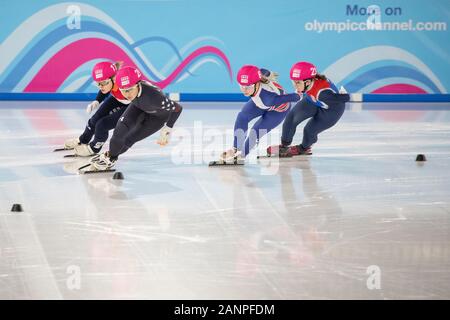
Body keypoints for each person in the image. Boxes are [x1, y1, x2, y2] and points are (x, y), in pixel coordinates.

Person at [90, 66, 183, 170]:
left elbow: (178, 108)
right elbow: (106, 85)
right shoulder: (127, 88)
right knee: (120, 130)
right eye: (123, 90)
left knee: (130, 138)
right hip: (138, 106)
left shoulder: (155, 97)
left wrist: (168, 127)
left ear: (138, 84)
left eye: (129, 90)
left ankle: (111, 157)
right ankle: (111, 157)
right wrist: (97, 100)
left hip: (157, 118)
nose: (127, 94)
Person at [219, 65, 301, 163]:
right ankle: (236, 149)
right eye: (242, 86)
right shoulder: (258, 75)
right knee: (242, 117)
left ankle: (242, 155)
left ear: (257, 83)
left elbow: (291, 98)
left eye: (248, 86)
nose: (244, 90)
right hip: (259, 101)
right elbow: (262, 71)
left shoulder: (267, 99)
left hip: (278, 111)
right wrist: (270, 73)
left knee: (255, 131)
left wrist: (299, 94)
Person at [267, 61, 350, 157]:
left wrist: (345, 96)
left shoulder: (323, 93)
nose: (294, 85)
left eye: (297, 82)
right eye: (293, 81)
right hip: (313, 100)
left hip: (331, 111)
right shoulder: (309, 83)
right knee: (292, 117)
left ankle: (303, 148)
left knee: (309, 130)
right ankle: (284, 145)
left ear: (308, 82)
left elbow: (344, 98)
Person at [63, 61, 131, 156]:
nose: (101, 86)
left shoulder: (124, 84)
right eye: (98, 83)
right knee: (94, 119)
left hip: (132, 106)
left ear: (114, 79)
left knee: (102, 125)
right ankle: (82, 140)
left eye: (103, 83)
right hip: (117, 99)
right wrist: (97, 101)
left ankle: (94, 148)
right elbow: (106, 89)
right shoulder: (110, 82)